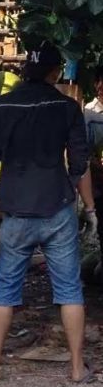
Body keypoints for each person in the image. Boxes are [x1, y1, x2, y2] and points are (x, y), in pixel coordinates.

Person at [0, 41, 97, 384]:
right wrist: (91, 209)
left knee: (5, 289)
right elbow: (80, 166)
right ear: (54, 73)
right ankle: (78, 368)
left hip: (17, 212)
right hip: (58, 210)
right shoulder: (67, 108)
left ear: (25, 70)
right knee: (69, 290)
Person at [84, 67, 103, 283]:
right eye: (98, 81)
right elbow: (81, 153)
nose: (100, 86)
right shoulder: (88, 112)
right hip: (99, 185)